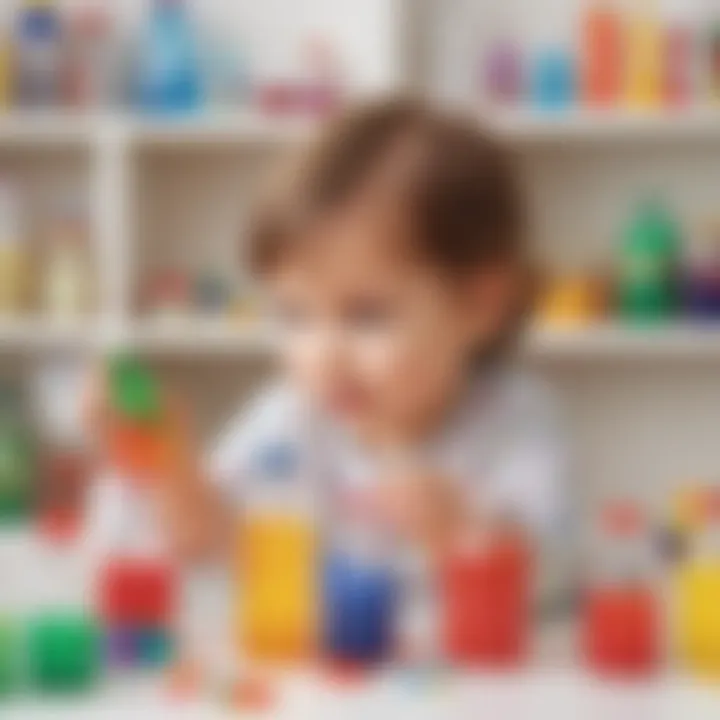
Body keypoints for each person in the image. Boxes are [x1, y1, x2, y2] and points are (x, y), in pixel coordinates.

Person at [87, 98, 567, 571]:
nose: (323, 356)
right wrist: (169, 462)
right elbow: (205, 536)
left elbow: (549, 573)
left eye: (366, 316)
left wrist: (465, 528)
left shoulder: (514, 423)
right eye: (295, 315)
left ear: (478, 306)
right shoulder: (291, 418)